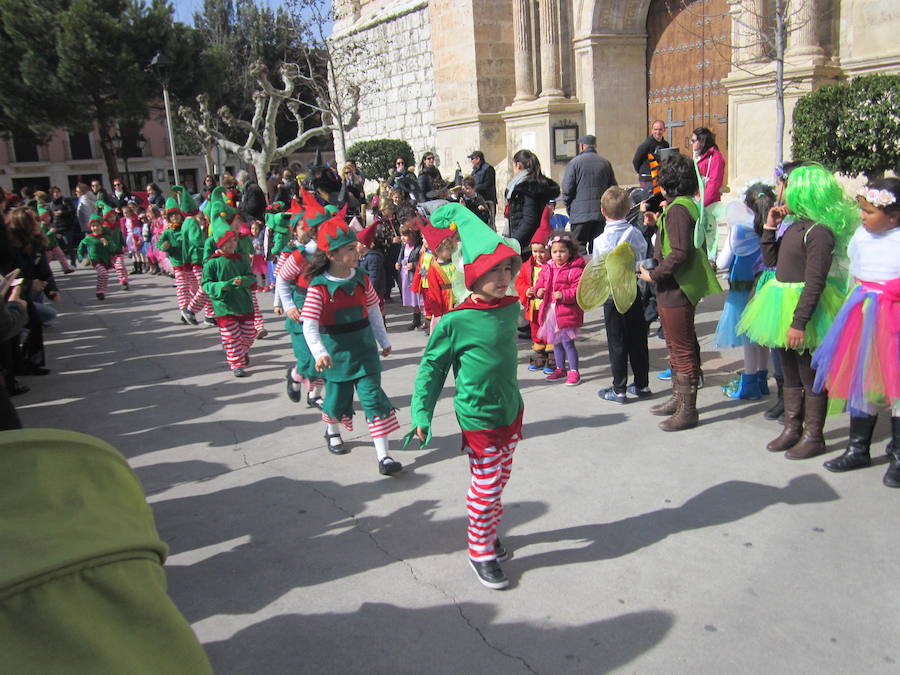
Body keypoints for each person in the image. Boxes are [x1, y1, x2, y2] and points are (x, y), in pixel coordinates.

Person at [406, 202, 523, 590]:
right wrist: (421, 417)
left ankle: (488, 530)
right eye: (495, 270)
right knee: (487, 484)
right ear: (473, 275)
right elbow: (431, 369)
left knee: (499, 478)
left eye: (508, 268)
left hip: (510, 410)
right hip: (477, 416)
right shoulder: (456, 321)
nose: (504, 277)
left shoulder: (509, 308)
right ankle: (479, 548)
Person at [736, 164, 855, 459]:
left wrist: (799, 323)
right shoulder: (794, 227)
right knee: (787, 370)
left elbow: (815, 281)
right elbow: (771, 259)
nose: (781, 192)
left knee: (808, 373)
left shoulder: (819, 232)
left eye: (787, 187)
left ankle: (814, 435)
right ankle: (792, 427)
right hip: (780, 305)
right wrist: (770, 227)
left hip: (804, 311)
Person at [811, 178, 900, 486]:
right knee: (863, 379)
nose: (862, 216)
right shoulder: (861, 237)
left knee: (897, 386)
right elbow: (854, 274)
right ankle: (857, 448)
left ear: (894, 215)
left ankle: (898, 455)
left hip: (896, 320)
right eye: (862, 210)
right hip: (863, 315)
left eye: (870, 212)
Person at [300, 213, 401, 475]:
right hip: (336, 354)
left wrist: (383, 339)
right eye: (349, 248)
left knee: (373, 399)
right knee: (337, 399)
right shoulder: (318, 287)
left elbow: (374, 310)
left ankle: (384, 457)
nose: (357, 251)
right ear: (332, 255)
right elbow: (309, 324)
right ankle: (332, 431)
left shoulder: (361, 278)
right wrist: (320, 352)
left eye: (354, 246)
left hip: (365, 350)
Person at [638, 153, 721, 431]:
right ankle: (678, 398)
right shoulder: (682, 205)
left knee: (681, 346)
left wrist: (654, 274)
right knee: (676, 343)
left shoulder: (677, 209)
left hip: (676, 286)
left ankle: (688, 409)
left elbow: (680, 252)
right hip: (677, 286)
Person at [714, 184, 773, 400]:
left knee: (748, 335)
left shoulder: (740, 228)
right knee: (763, 335)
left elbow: (723, 260)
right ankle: (762, 379)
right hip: (766, 286)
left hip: (743, 286)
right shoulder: (773, 225)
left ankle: (749, 381)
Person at [593, 187, 651, 403]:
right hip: (632, 291)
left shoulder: (599, 241)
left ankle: (619, 389)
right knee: (637, 339)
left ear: (602, 211)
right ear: (628, 210)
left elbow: (597, 270)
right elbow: (642, 258)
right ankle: (642, 384)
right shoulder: (635, 234)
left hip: (611, 296)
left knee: (617, 342)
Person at [201, 197, 256, 378]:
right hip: (225, 306)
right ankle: (236, 364)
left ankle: (241, 351)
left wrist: (244, 281)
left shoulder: (242, 259)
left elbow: (251, 277)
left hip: (244, 303)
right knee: (231, 337)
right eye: (227, 242)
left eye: (233, 241)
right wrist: (223, 286)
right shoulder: (212, 263)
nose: (231, 244)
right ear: (220, 244)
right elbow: (206, 284)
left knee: (249, 333)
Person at [533, 230, 586, 386]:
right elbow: (540, 283)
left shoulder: (575, 270)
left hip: (566, 312)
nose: (558, 255)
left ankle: (574, 371)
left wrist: (563, 294)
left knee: (568, 343)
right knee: (555, 342)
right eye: (555, 251)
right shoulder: (547, 268)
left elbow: (578, 290)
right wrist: (538, 291)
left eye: (562, 251)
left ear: (570, 252)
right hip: (550, 312)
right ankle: (560, 368)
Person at [561, 134, 618, 253]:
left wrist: (569, 206)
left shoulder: (574, 163)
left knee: (578, 246)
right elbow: (613, 188)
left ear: (581, 146)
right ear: (594, 146)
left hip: (579, 214)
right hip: (599, 213)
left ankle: (581, 271)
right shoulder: (605, 163)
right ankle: (595, 270)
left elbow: (567, 189)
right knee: (597, 247)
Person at [515, 208, 554, 373]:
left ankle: (552, 359)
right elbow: (520, 282)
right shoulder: (526, 266)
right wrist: (526, 291)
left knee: (551, 332)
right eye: (535, 251)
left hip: (550, 308)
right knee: (536, 331)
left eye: (542, 251)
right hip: (534, 308)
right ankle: (540, 356)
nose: (538, 255)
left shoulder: (554, 267)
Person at [505, 149, 560, 250]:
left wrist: (515, 241)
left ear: (518, 165)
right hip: (532, 241)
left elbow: (529, 220)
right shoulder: (536, 182)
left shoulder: (528, 187)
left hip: (529, 244)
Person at [420, 222, 458, 330]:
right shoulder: (434, 268)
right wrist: (437, 312)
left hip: (457, 299)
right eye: (448, 249)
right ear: (439, 250)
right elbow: (434, 292)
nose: (451, 251)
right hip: (444, 302)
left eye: (451, 248)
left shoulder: (454, 263)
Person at [77, 214, 113, 300]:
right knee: (103, 273)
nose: (95, 228)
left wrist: (106, 243)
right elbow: (81, 246)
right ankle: (99, 292)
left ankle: (101, 291)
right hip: (95, 259)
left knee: (104, 275)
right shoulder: (89, 238)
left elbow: (113, 248)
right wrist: (80, 256)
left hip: (105, 259)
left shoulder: (106, 237)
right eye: (93, 226)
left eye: (97, 225)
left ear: (101, 226)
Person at [395, 225, 423, 330]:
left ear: (412, 235)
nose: (402, 238)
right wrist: (398, 262)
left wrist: (414, 265)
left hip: (414, 275)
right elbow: (401, 256)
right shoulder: (404, 245)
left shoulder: (419, 247)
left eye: (405, 235)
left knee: (418, 298)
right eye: (401, 235)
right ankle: (416, 320)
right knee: (411, 298)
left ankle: (426, 319)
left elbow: (423, 262)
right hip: (405, 275)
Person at [98, 202, 129, 291]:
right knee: (104, 270)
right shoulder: (104, 229)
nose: (112, 219)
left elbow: (120, 236)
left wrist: (124, 244)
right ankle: (102, 286)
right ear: (105, 218)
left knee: (120, 266)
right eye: (109, 217)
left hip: (118, 250)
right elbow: (100, 238)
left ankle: (123, 281)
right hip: (108, 252)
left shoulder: (117, 227)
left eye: (113, 216)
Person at [633, 120, 669, 188]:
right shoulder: (646, 144)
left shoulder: (665, 145)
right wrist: (639, 172)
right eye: (655, 129)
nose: (658, 132)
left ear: (664, 130)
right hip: (647, 179)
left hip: (659, 178)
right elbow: (636, 160)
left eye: (660, 129)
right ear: (652, 130)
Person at [357, 223, 386, 303]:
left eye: (357, 243)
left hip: (374, 292)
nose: (355, 246)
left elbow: (374, 277)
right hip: (364, 290)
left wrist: (369, 292)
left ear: (364, 245)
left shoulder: (373, 258)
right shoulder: (361, 256)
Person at [468, 151, 497, 225]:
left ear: (478, 159)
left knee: (489, 223)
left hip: (487, 200)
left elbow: (487, 184)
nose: (471, 161)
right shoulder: (475, 170)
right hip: (477, 201)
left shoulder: (488, 169)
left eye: (472, 159)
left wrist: (474, 189)